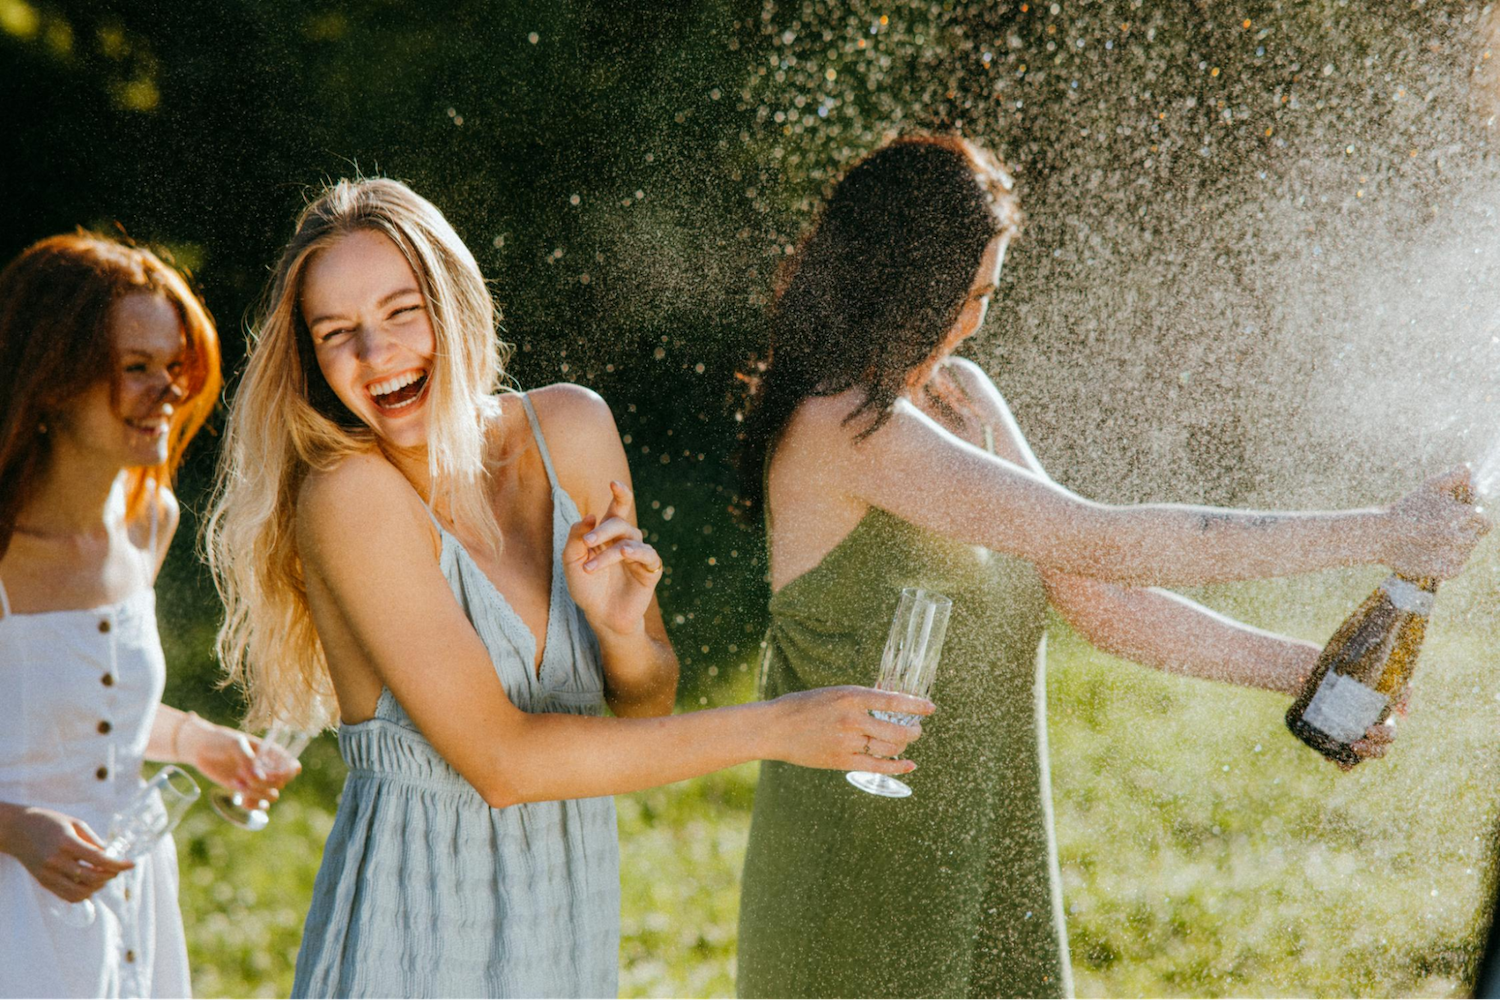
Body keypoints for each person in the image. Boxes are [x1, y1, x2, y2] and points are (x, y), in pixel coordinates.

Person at [734, 134, 1491, 999]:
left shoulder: (963, 399)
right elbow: (1103, 538)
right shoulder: (844, 427)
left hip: (987, 847)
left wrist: (1306, 675)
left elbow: (1096, 594)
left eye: (988, 292)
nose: (977, 316)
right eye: (966, 292)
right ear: (902, 279)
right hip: (856, 871)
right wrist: (1382, 530)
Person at [203, 177, 932, 999]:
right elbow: (503, 764)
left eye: (402, 312)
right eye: (337, 333)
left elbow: (646, 702)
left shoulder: (572, 430)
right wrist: (777, 727)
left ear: (456, 303)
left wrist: (620, 632)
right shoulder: (349, 496)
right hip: (418, 928)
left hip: (565, 908)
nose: (375, 356)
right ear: (311, 358)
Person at [0, 232, 298, 999]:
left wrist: (198, 742)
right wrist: (14, 828)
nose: (167, 391)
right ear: (54, 377)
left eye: (174, 367)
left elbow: (86, 707)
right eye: (136, 368)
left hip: (130, 897)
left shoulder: (149, 521)